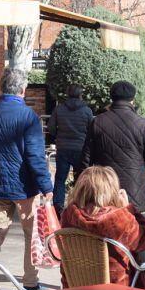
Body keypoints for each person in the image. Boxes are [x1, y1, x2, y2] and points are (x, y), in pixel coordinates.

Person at [0, 68, 53, 290]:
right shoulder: (28, 117)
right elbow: (35, 157)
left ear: (2, 87)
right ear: (23, 89)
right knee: (31, 234)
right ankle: (30, 282)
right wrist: (46, 186)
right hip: (24, 186)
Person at [79, 80, 145, 213]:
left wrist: (81, 187)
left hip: (105, 188)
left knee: (105, 226)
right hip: (134, 188)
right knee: (132, 229)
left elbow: (86, 158)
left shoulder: (98, 122)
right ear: (132, 100)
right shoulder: (141, 124)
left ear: (111, 98)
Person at [47, 84, 94, 214]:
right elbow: (92, 130)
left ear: (67, 94)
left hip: (63, 148)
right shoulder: (87, 111)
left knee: (60, 179)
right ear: (80, 95)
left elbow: (51, 128)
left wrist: (59, 136)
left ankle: (58, 207)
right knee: (81, 179)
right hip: (81, 149)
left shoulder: (59, 109)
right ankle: (80, 206)